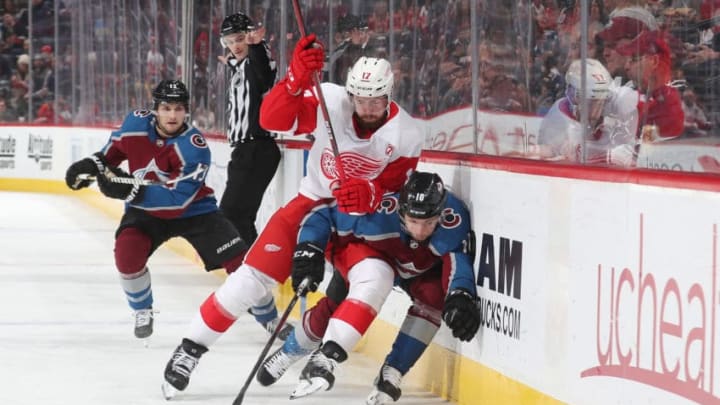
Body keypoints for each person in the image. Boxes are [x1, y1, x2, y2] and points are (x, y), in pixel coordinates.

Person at [161, 35, 424, 397]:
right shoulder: (331, 101)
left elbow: (397, 193)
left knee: (375, 279)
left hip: (360, 223)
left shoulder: (406, 133)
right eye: (359, 99)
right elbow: (271, 120)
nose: (366, 107)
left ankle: (326, 358)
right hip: (312, 206)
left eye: (375, 100)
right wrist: (294, 81)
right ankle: (189, 349)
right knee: (249, 281)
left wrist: (372, 193)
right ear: (349, 93)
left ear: (389, 95)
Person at [256, 171, 480, 403]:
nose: (421, 231)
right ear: (400, 211)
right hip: (369, 256)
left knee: (435, 298)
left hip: (416, 269)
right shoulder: (379, 211)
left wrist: (460, 294)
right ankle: (293, 352)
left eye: (429, 223)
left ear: (441, 213)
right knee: (342, 300)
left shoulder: (454, 219)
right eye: (413, 221)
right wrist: (309, 248)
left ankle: (393, 372)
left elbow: (458, 262)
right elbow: (322, 214)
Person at [63, 80, 250, 341]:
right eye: (166, 108)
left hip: (195, 211)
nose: (172, 115)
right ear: (155, 109)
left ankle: (269, 318)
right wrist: (90, 166)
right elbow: (110, 154)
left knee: (241, 264)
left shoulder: (193, 147)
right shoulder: (135, 125)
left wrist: (130, 191)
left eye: (178, 108)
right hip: (145, 213)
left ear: (187, 111)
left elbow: (177, 200)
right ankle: (142, 310)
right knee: (126, 256)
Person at [217, 12, 279, 247]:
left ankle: (250, 274)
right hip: (246, 151)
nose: (235, 46)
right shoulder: (239, 68)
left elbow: (263, 71)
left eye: (240, 38)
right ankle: (249, 275)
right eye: (230, 41)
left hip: (257, 148)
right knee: (238, 216)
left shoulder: (256, 62)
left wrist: (257, 45)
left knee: (232, 215)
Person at [535, 58, 640, 166]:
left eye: (601, 100)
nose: (596, 110)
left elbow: (627, 154)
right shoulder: (559, 117)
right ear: (573, 96)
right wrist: (607, 157)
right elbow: (561, 161)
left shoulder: (613, 105)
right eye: (591, 101)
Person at [617, 30, 685, 141]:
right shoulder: (642, 95)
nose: (626, 67)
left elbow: (645, 146)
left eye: (634, 59)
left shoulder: (668, 105)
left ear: (653, 61)